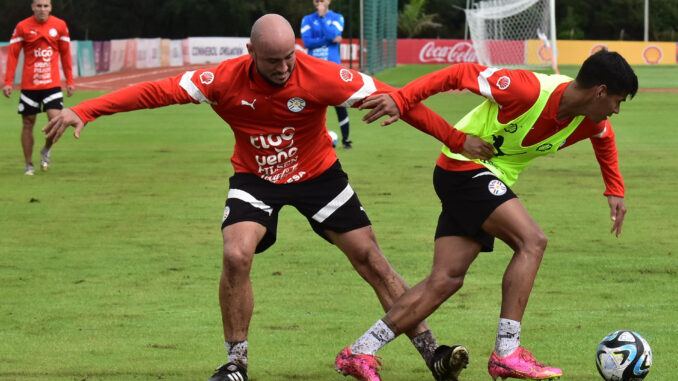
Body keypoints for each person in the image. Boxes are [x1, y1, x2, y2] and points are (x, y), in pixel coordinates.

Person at [43, 14, 493, 381]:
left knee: (372, 260)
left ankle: (433, 354)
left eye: (288, 58)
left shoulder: (321, 75)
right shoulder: (220, 79)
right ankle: (236, 363)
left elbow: (399, 100)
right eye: (273, 61)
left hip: (319, 176)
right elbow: (152, 92)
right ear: (250, 53)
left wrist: (455, 137)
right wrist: (82, 110)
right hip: (255, 178)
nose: (283, 68)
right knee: (236, 254)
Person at [336, 49, 637, 381]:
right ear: (600, 91)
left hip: (483, 180)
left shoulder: (590, 120)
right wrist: (401, 98)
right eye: (618, 100)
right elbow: (458, 73)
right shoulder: (526, 90)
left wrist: (615, 190)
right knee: (532, 241)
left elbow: (604, 140)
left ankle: (359, 351)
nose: (617, 110)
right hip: (461, 168)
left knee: (446, 279)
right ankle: (507, 353)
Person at [3, 0, 74, 175]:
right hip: (29, 86)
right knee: (28, 123)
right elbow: (13, 55)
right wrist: (8, 82)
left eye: (46, 6)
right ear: (32, 7)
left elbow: (65, 54)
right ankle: (29, 164)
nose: (42, 9)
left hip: (52, 84)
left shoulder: (60, 25)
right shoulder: (22, 26)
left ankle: (46, 151)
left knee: (56, 122)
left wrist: (70, 80)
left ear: (51, 8)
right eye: (39, 6)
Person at [301, 0, 353, 149]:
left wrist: (323, 19)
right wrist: (328, 40)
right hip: (313, 70)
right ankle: (307, 140)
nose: (319, 3)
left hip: (332, 70)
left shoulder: (338, 17)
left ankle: (346, 140)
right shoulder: (307, 19)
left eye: (322, 0)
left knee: (340, 105)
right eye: (316, 1)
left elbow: (333, 35)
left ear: (328, 1)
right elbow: (307, 42)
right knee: (309, 106)